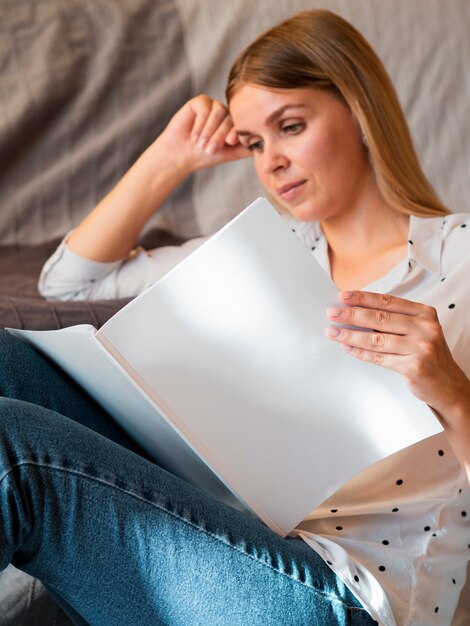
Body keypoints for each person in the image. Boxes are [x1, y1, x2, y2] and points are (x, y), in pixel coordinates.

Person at [1, 9, 469, 626]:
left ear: (359, 110)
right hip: (220, 530)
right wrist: (170, 157)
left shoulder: (459, 257)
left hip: (349, 595)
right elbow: (71, 281)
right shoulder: (261, 258)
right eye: (254, 143)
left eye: (291, 126)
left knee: (12, 444)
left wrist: (454, 394)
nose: (270, 161)